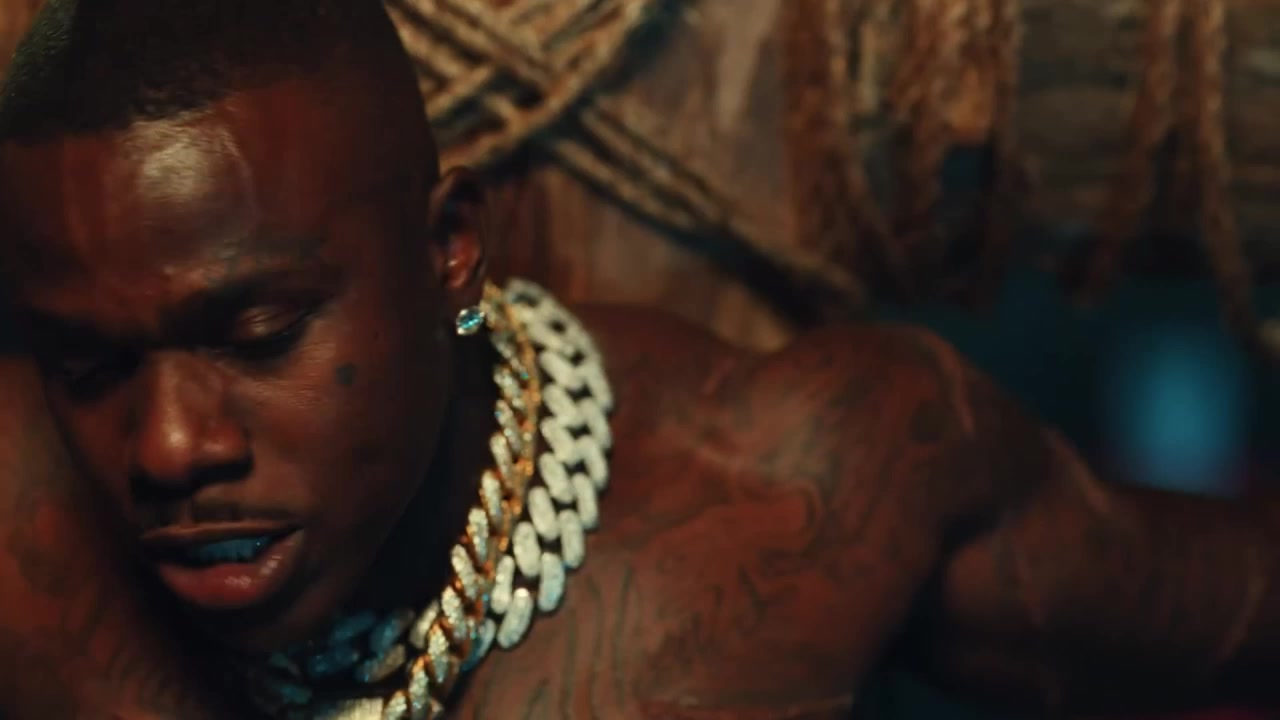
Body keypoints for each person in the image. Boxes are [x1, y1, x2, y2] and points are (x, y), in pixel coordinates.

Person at [0, 0, 1276, 718]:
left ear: (448, 253)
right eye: (89, 367)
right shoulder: (19, 538)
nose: (169, 447)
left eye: (259, 335)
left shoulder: (802, 491)